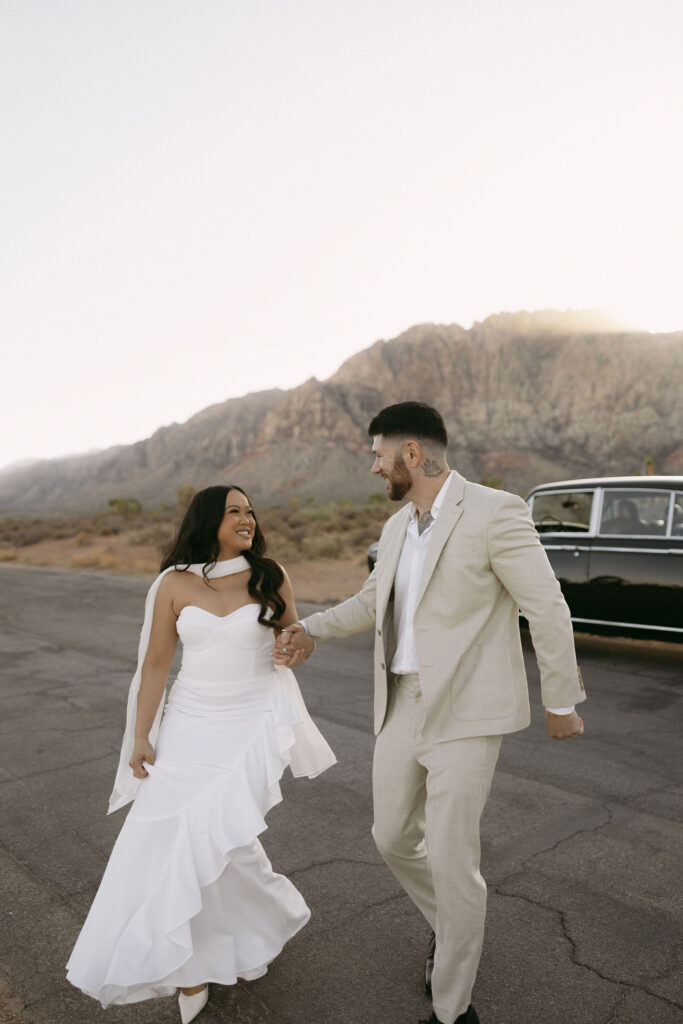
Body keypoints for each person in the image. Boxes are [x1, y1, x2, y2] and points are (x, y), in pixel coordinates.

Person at [274, 402, 586, 1024]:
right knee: (390, 837)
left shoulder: (498, 511)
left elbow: (546, 607)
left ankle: (452, 1009)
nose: (372, 467)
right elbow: (370, 602)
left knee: (450, 858)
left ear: (410, 454)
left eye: (377, 454)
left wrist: (561, 698)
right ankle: (454, 930)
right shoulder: (395, 529)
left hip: (468, 709)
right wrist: (308, 628)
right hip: (401, 702)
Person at [67, 485, 335, 1023]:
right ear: (209, 519)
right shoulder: (172, 583)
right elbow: (156, 667)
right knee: (174, 838)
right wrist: (142, 736)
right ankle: (195, 965)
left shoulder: (269, 573)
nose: (247, 519)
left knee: (214, 832)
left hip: (250, 718)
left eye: (251, 511)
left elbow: (294, 639)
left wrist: (294, 646)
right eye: (234, 511)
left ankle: (224, 950)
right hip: (190, 721)